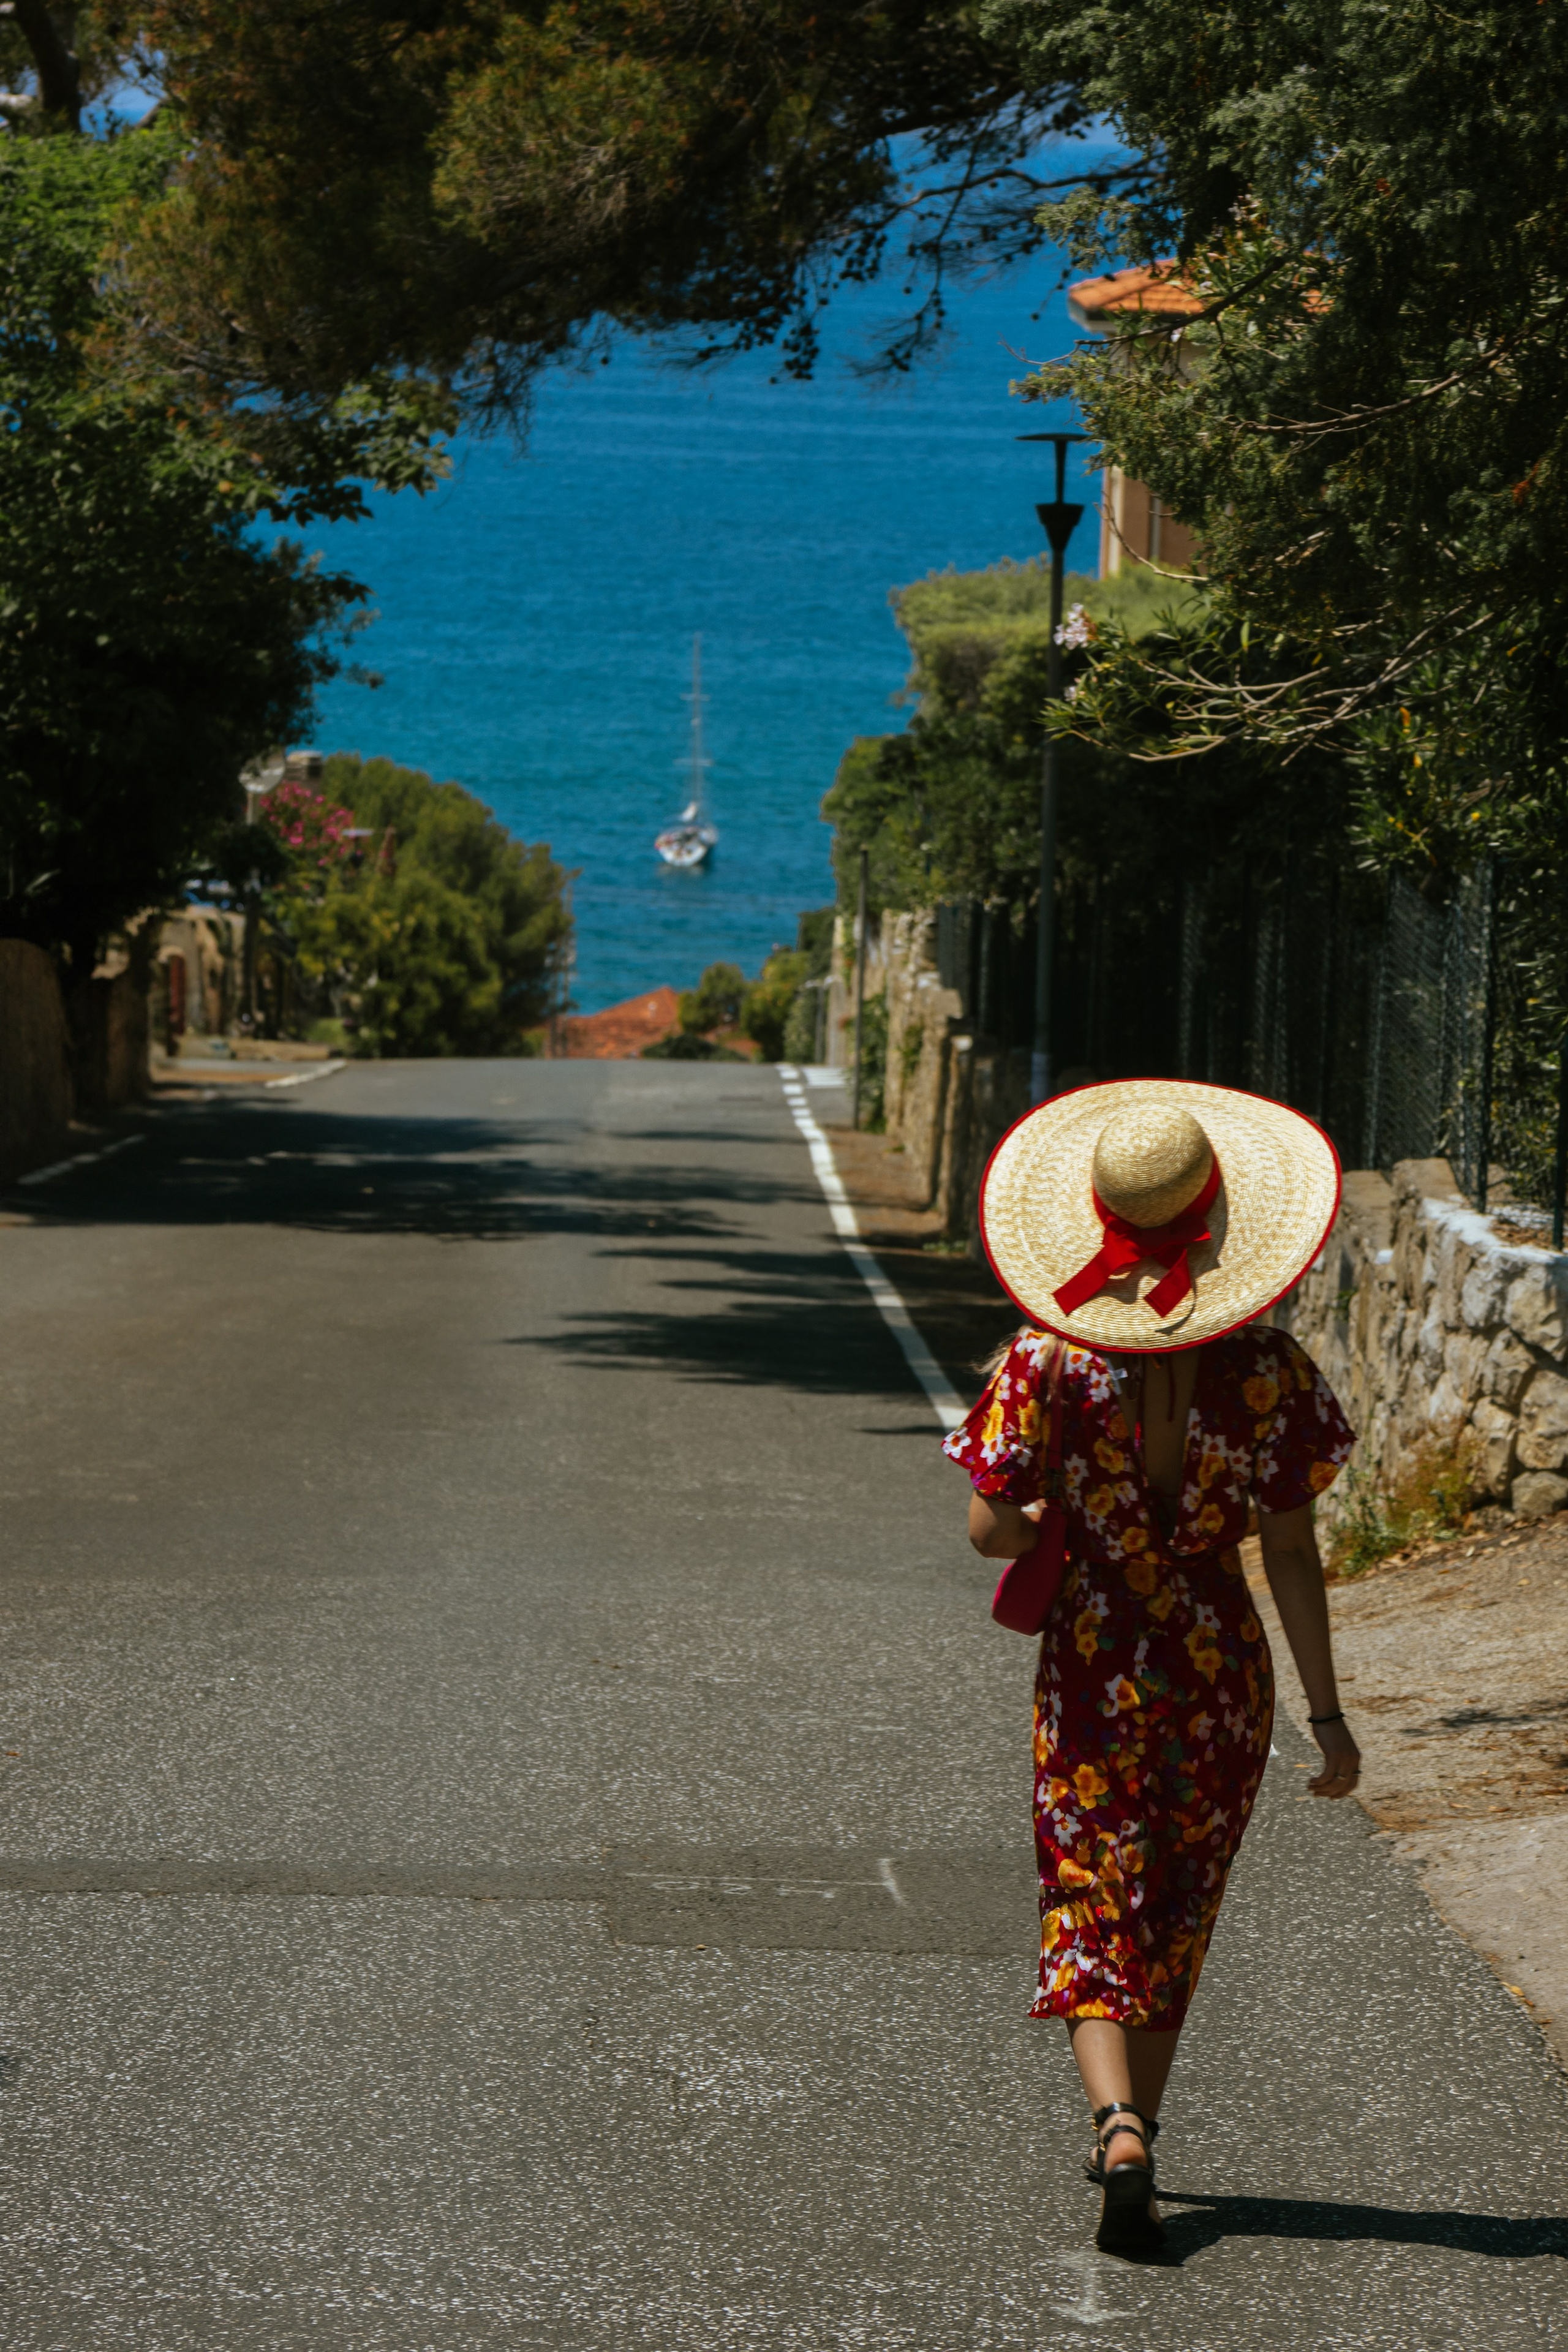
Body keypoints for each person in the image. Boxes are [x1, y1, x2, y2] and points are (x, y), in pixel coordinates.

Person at [945, 1081, 1361, 2257]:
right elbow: (1291, 1550)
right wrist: (1327, 1718)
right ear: (1218, 1216)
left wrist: (1047, 1529)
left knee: (1091, 1886)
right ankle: (1146, 2130)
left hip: (1096, 1655)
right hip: (1220, 1666)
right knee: (1177, 1902)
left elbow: (991, 1530)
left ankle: (1115, 2119)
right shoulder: (1270, 1370)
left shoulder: (1051, 1359)